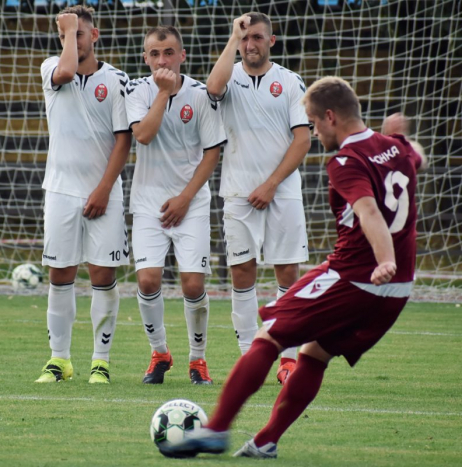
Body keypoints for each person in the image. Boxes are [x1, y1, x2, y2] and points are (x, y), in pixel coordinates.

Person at [159, 76, 422, 459]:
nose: (314, 131)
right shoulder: (396, 149)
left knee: (268, 338)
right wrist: (397, 139)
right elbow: (418, 156)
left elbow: (368, 211)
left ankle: (216, 429)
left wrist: (384, 259)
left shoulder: (347, 161)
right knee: (314, 354)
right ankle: (265, 442)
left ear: (331, 117)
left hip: (356, 277)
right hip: (396, 291)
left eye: (314, 122)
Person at [205, 12, 312, 384]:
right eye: (245, 38)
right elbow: (213, 89)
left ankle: (286, 361)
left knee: (287, 273)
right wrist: (231, 39)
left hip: (281, 193)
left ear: (272, 41)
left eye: (257, 38)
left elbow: (303, 139)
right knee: (242, 273)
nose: (251, 44)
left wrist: (270, 185)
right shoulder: (229, 73)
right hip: (237, 193)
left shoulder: (290, 81)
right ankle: (249, 358)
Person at [35, 6, 132, 384]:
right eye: (66, 35)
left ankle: (100, 361)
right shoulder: (51, 69)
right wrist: (67, 33)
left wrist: (104, 189)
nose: (73, 40)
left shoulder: (118, 80)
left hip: (104, 192)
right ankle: (59, 360)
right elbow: (67, 70)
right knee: (60, 273)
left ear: (96, 35)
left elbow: (124, 140)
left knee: (102, 274)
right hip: (60, 190)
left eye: (79, 33)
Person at [126, 26, 227, 385]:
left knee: (192, 285)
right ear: (145, 58)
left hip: (192, 203)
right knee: (148, 280)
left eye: (168, 52)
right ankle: (159, 353)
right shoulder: (137, 91)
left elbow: (213, 151)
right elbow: (143, 134)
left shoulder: (202, 95)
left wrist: (186, 198)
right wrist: (163, 95)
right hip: (148, 202)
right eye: (154, 54)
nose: (162, 60)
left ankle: (198, 361)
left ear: (182, 56)